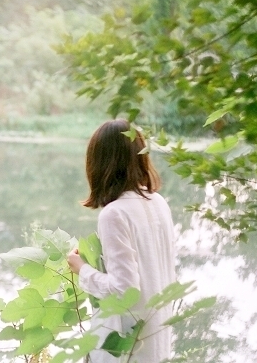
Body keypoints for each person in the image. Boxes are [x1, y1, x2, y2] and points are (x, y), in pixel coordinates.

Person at [67, 119, 176, 363]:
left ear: (99, 164)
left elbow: (124, 290)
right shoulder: (158, 202)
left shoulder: (114, 214)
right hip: (158, 332)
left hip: (128, 342)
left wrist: (82, 269)